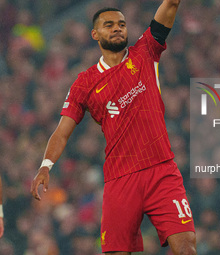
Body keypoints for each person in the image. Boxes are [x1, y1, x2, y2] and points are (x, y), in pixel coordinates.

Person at [31, 1, 197, 254]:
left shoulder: (145, 51)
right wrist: (45, 165)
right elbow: (62, 131)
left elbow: (171, 5)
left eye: (121, 24)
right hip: (121, 179)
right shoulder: (84, 82)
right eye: (109, 25)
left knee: (186, 248)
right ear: (95, 35)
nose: (117, 29)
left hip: (162, 170)